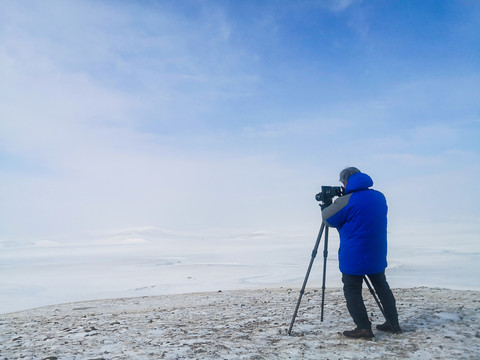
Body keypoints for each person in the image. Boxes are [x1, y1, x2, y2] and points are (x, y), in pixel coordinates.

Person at [321, 167, 401, 339]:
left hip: (354, 255)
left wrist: (328, 204)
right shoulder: (379, 196)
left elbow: (328, 219)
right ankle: (393, 323)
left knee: (352, 289)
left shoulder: (346, 200)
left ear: (346, 181)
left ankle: (364, 328)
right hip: (376, 252)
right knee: (382, 287)